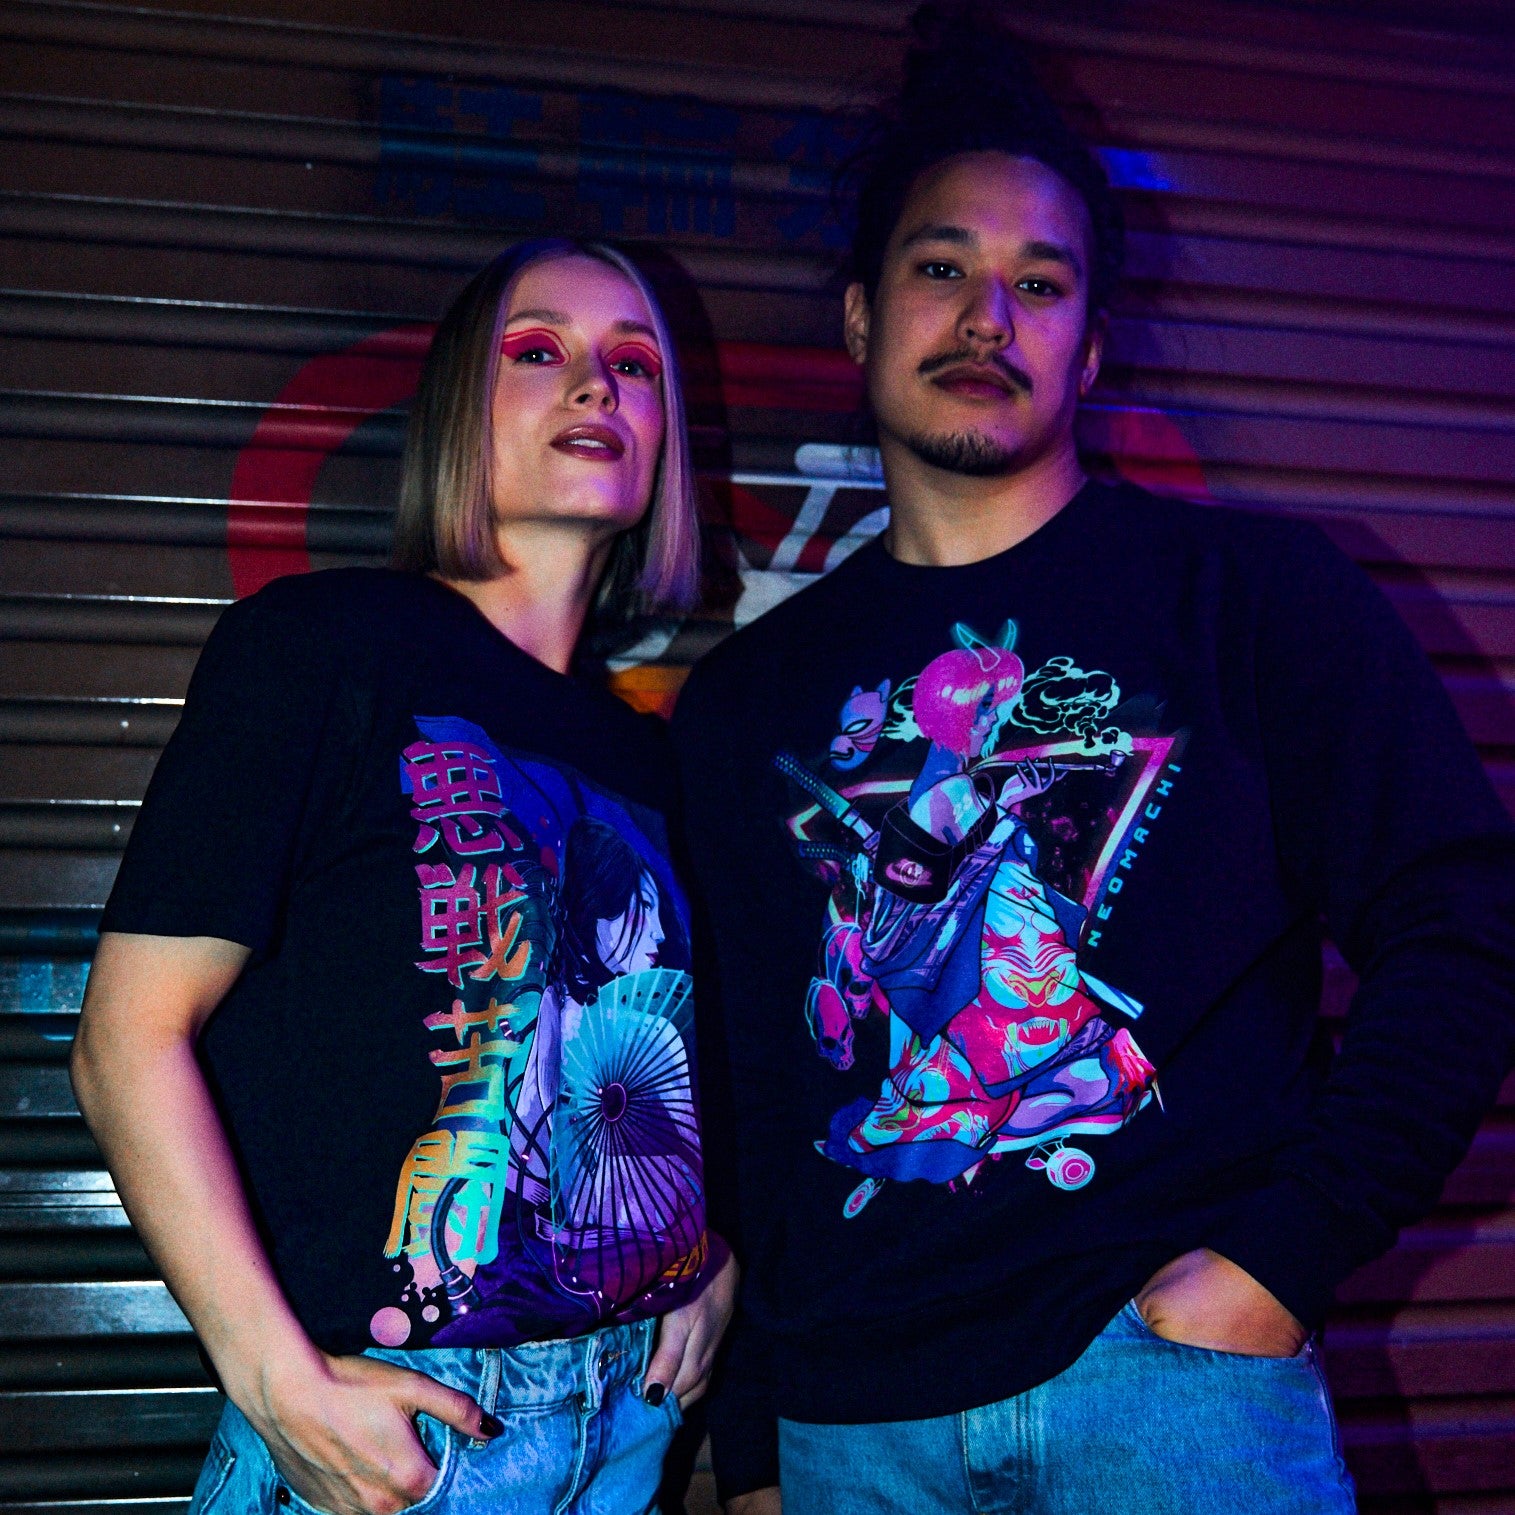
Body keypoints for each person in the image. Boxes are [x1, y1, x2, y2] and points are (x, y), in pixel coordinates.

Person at [672, 7, 1515, 1514]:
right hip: (853, 1431)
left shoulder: (1255, 598)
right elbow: (738, 1096)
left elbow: (1464, 926)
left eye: (1040, 282)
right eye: (942, 268)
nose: (987, 317)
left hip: (1173, 1393)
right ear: (860, 318)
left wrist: (1279, 1257)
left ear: (1092, 343)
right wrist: (752, 1444)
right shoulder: (745, 701)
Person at [71, 236, 737, 1515]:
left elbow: (637, 1040)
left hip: (627, 1432)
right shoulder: (321, 647)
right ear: (455, 410)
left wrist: (707, 1251)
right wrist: (276, 1380)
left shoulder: (647, 754)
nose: (595, 386)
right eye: (538, 351)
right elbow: (123, 1044)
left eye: (635, 365)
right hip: (405, 1433)